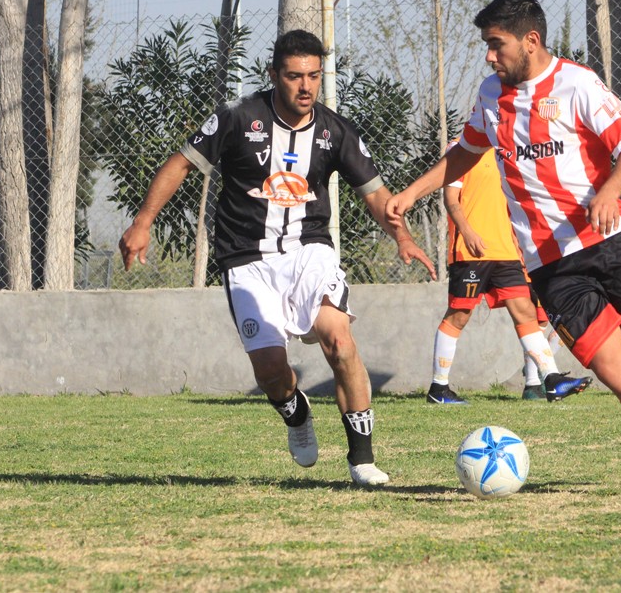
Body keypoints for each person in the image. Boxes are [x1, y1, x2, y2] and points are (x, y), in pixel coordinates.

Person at [386, 0, 621, 493]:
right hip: (550, 268)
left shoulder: (578, 85)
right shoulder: (491, 96)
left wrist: (608, 192)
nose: (490, 56)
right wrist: (412, 192)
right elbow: (466, 152)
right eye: (486, 47)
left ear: (530, 41)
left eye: (497, 44)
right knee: (619, 378)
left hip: (610, 244)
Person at [119, 30, 435, 488]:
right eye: (294, 76)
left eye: (313, 76)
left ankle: (362, 459)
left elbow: (375, 194)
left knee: (340, 342)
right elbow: (180, 164)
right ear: (274, 75)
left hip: (309, 252)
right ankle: (296, 412)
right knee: (270, 370)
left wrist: (402, 238)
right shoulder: (237, 117)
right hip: (246, 259)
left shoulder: (335, 131)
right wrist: (143, 222)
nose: (305, 86)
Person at [428, 139, 593, 405]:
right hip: (472, 251)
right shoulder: (460, 148)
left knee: (525, 311)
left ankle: (550, 380)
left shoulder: (509, 152)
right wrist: (468, 232)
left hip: (505, 252)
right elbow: (451, 199)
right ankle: (439, 388)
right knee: (459, 316)